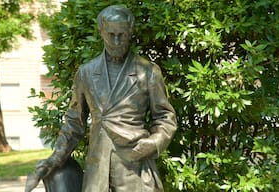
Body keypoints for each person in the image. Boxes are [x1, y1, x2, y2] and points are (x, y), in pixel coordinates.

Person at [28, 5, 177, 192]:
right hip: (97, 171)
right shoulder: (86, 73)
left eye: (121, 35)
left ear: (130, 32)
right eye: (111, 34)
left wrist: (155, 142)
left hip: (134, 169)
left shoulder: (147, 72)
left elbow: (165, 117)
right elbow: (74, 123)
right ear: (101, 32)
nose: (116, 41)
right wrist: (55, 159)